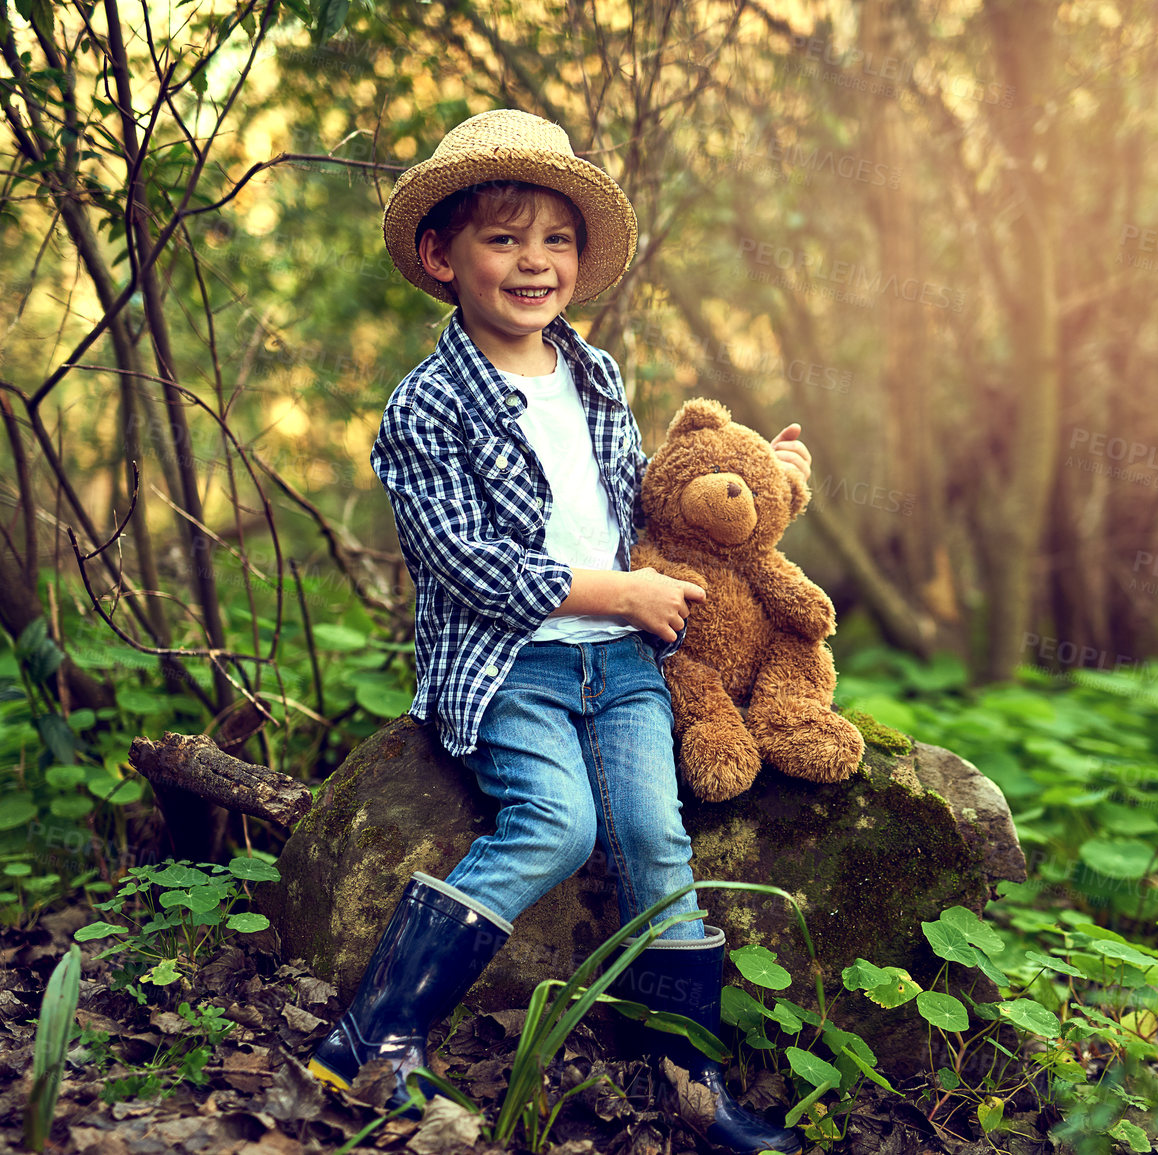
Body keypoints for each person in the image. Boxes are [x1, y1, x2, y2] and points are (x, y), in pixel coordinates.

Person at [305, 109, 813, 1154]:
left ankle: (688, 1084)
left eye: (556, 240)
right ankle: (375, 1035)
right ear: (443, 256)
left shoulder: (596, 376)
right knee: (555, 824)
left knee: (655, 838)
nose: (534, 261)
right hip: (514, 669)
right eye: (503, 237)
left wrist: (765, 477)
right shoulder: (426, 407)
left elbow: (643, 509)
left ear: (580, 261)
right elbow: (465, 562)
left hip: (623, 668)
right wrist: (618, 593)